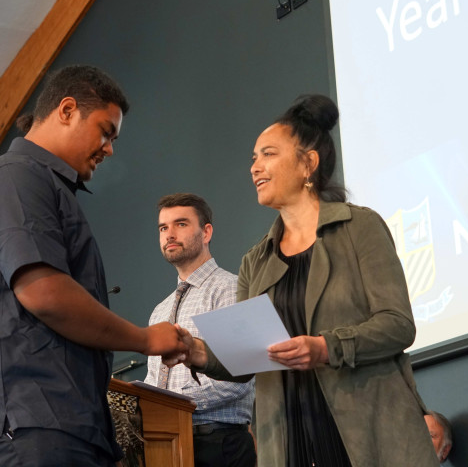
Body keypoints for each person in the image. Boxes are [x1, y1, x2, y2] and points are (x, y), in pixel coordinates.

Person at [165, 94, 440, 466]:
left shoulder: (360, 227)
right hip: (291, 439)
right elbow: (247, 358)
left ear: (308, 163)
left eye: (268, 154)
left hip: (368, 431)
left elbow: (398, 325)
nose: (255, 167)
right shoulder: (255, 261)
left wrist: (326, 347)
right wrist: (197, 351)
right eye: (253, 158)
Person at [0, 65, 187, 467]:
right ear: (67, 110)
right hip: (40, 427)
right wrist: (145, 339)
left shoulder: (47, 188)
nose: (110, 148)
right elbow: (44, 293)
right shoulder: (18, 178)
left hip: (71, 425)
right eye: (105, 131)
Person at [144, 193, 256, 467]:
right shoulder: (160, 309)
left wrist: (172, 406)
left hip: (219, 445)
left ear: (206, 232)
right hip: (167, 444)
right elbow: (152, 378)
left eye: (181, 224)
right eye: (163, 227)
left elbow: (237, 380)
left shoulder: (233, 289)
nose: (169, 234)